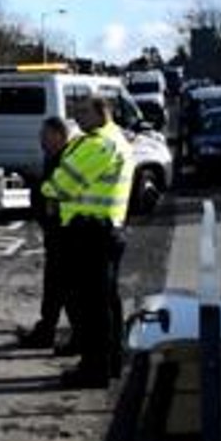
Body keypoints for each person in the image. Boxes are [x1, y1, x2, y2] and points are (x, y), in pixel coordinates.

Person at [41, 94, 133, 388]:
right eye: (75, 111)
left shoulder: (98, 144)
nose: (77, 117)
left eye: (83, 111)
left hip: (92, 232)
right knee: (107, 302)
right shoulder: (112, 137)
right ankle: (111, 362)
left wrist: (47, 187)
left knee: (94, 306)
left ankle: (95, 369)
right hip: (105, 229)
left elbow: (62, 184)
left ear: (101, 112)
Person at [17, 117, 79, 350]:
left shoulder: (66, 160)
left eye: (44, 136)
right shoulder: (53, 157)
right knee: (56, 286)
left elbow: (59, 193)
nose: (40, 141)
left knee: (64, 287)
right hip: (55, 232)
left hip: (64, 233)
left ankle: (66, 334)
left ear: (58, 135)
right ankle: (47, 330)